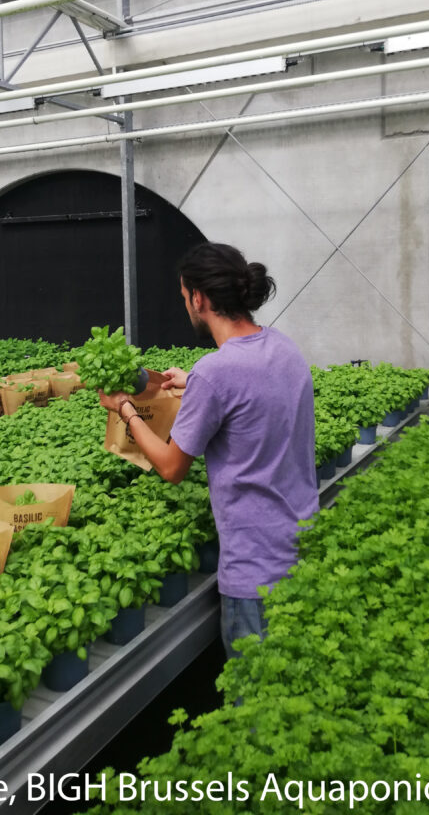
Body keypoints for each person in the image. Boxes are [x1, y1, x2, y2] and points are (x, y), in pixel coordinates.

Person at [99, 242, 318, 659]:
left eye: (185, 298)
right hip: (300, 549)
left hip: (254, 573)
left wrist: (125, 409)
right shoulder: (284, 348)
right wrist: (195, 383)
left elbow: (171, 467)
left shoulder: (216, 374)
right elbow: (247, 400)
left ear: (198, 298)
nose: (186, 306)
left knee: (253, 708)